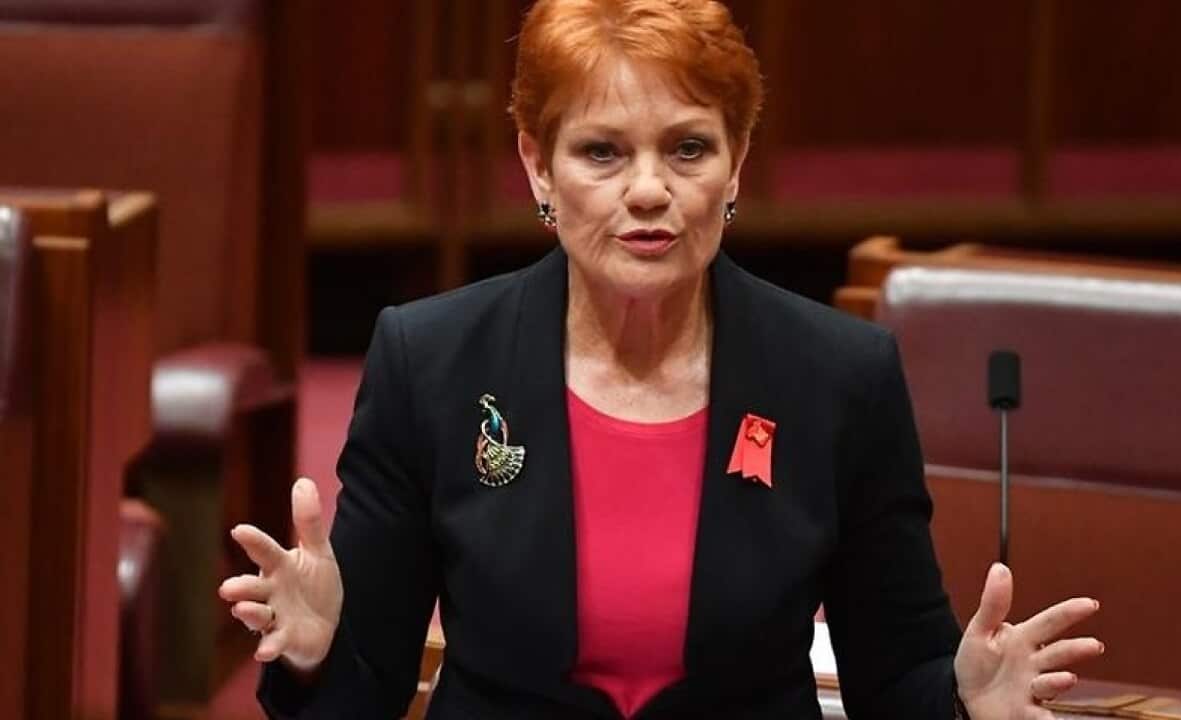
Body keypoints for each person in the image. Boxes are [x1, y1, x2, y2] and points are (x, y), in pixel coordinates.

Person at [219, 1, 1104, 717]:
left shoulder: (839, 376)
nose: (649, 190)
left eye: (687, 147)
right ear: (538, 165)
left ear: (737, 162)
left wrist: (961, 702)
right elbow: (359, 696)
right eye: (602, 152)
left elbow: (895, 680)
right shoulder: (433, 361)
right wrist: (315, 656)